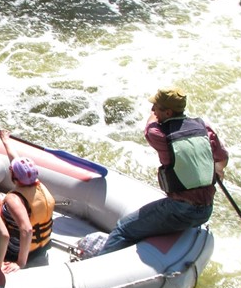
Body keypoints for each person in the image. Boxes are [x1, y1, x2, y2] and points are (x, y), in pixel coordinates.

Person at [98, 87, 229, 255]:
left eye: (156, 107)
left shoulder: (158, 134)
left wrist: (156, 115)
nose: (153, 110)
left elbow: (149, 126)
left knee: (123, 229)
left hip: (181, 210)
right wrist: (216, 170)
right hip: (206, 210)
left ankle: (93, 267)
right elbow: (222, 159)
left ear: (168, 112)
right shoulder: (204, 128)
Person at [0, 129, 56, 268]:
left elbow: (27, 230)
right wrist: (5, 140)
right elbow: (16, 161)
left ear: (14, 177)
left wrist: (20, 263)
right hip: (42, 247)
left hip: (17, 250)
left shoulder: (14, 199)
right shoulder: (39, 185)